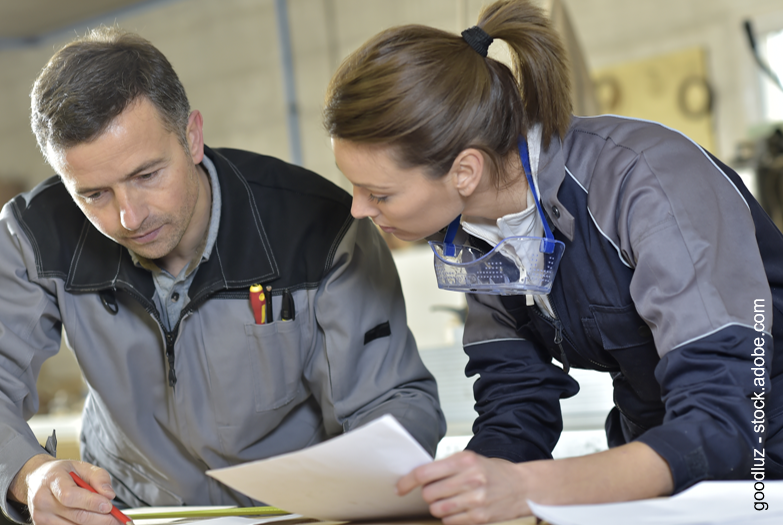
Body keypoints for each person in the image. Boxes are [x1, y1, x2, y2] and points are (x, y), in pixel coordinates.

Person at [0, 27, 446, 525]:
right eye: (93, 194)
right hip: (135, 512)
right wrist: (28, 474)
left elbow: (390, 404)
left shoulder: (320, 228)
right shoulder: (36, 232)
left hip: (295, 514)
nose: (130, 216)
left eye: (147, 175)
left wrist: (359, 498)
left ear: (192, 137)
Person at [324, 0, 782, 522]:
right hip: (662, 470)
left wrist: (528, 485)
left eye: (378, 193)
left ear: (465, 170)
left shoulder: (645, 183)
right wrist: (462, 494)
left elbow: (728, 415)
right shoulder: (474, 233)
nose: (358, 209)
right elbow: (515, 401)